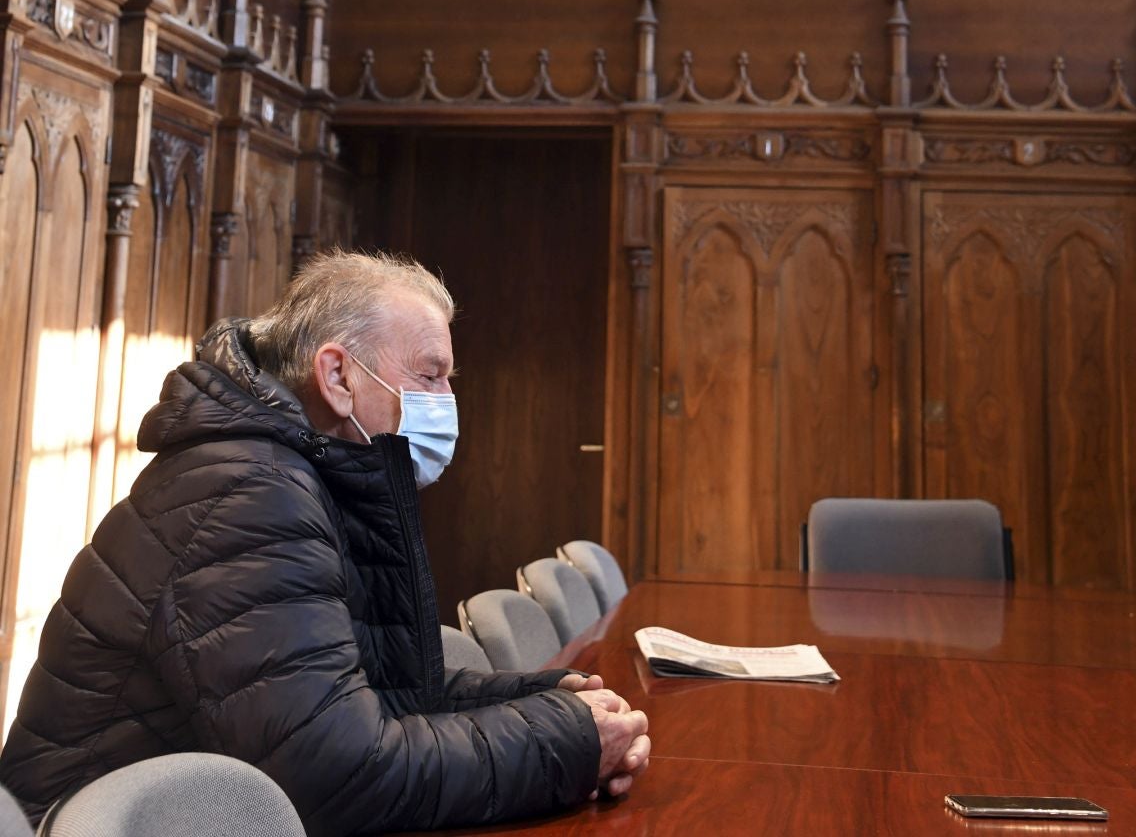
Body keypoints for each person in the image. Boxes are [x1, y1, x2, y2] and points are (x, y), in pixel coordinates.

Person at [0, 251, 651, 832]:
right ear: (338, 376)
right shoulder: (246, 497)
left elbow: (380, 698)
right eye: (430, 375)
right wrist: (567, 741)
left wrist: (554, 703)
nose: (447, 400)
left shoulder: (294, 475)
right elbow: (337, 775)